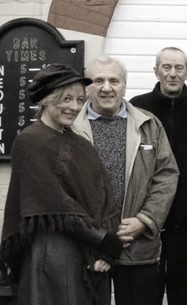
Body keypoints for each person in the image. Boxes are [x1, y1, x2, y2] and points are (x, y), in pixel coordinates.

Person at [0, 64, 123, 305]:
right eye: (66, 99)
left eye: (79, 100)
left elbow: (102, 193)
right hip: (53, 255)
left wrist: (106, 248)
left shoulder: (81, 143)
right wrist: (103, 239)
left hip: (90, 257)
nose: (75, 107)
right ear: (47, 99)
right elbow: (54, 202)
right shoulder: (30, 141)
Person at [72, 55, 179, 305]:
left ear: (124, 86)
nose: (107, 87)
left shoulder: (149, 124)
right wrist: (97, 235)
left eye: (114, 80)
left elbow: (167, 176)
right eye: (98, 80)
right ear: (87, 87)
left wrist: (145, 220)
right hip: (88, 247)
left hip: (137, 246)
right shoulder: (70, 128)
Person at [130, 47, 187, 305]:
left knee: (185, 295)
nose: (172, 74)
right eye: (166, 67)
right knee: (146, 294)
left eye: (179, 68)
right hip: (145, 223)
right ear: (156, 71)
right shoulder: (138, 107)